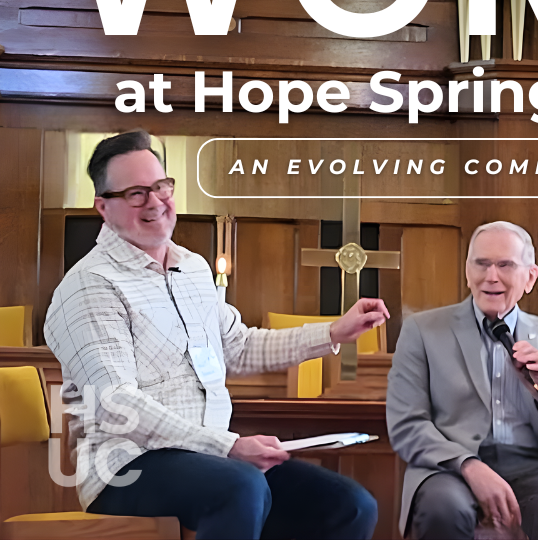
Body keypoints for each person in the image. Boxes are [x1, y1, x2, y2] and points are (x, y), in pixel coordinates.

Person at [44, 130, 385, 540]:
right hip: (125, 466)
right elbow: (118, 405)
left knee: (348, 506)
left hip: (210, 458)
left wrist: (333, 331)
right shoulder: (91, 285)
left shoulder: (192, 268)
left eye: (160, 187)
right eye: (136, 193)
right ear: (104, 206)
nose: (155, 202)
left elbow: (238, 348)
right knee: (239, 487)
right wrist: (226, 446)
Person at [387, 221, 538, 540]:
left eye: (505, 265)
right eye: (481, 264)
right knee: (443, 510)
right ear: (467, 271)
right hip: (449, 466)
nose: (491, 277)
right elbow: (406, 424)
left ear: (530, 277)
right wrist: (469, 465)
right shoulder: (422, 331)